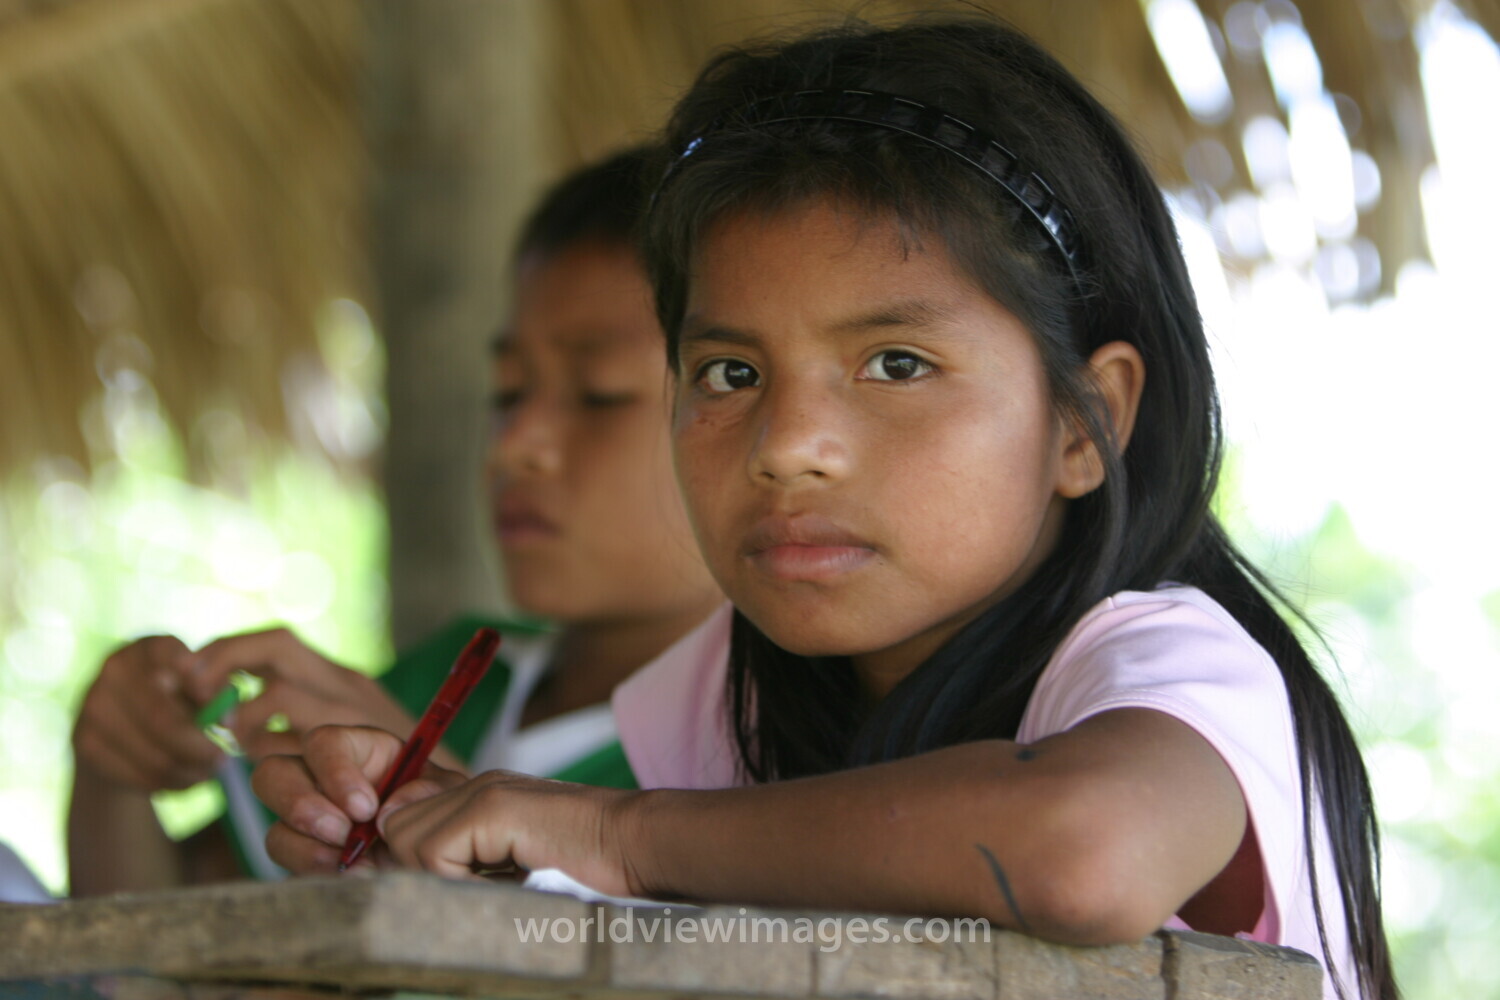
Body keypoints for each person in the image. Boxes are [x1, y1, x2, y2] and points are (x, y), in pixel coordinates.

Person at [252, 17, 1396, 1000]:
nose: (787, 448)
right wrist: (460, 842)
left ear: (1081, 423)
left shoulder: (1161, 662)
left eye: (896, 364)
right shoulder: (724, 696)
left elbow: (1084, 851)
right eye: (730, 375)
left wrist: (609, 835)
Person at [67, 147, 723, 895]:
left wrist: (443, 794)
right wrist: (113, 770)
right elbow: (158, 929)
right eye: (508, 392)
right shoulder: (458, 671)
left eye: (600, 395)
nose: (514, 446)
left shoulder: (760, 747)